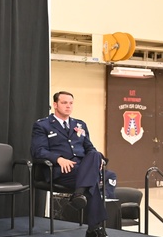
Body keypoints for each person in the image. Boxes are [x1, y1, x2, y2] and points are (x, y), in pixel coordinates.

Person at [31, 91, 110, 237]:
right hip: (61, 170)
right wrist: (58, 159)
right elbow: (38, 151)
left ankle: (78, 193)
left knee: (95, 154)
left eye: (71, 103)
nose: (68, 106)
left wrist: (99, 161)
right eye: (64, 103)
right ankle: (94, 229)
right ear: (55, 105)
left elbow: (89, 148)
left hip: (81, 169)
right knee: (93, 181)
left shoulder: (80, 124)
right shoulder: (43, 125)